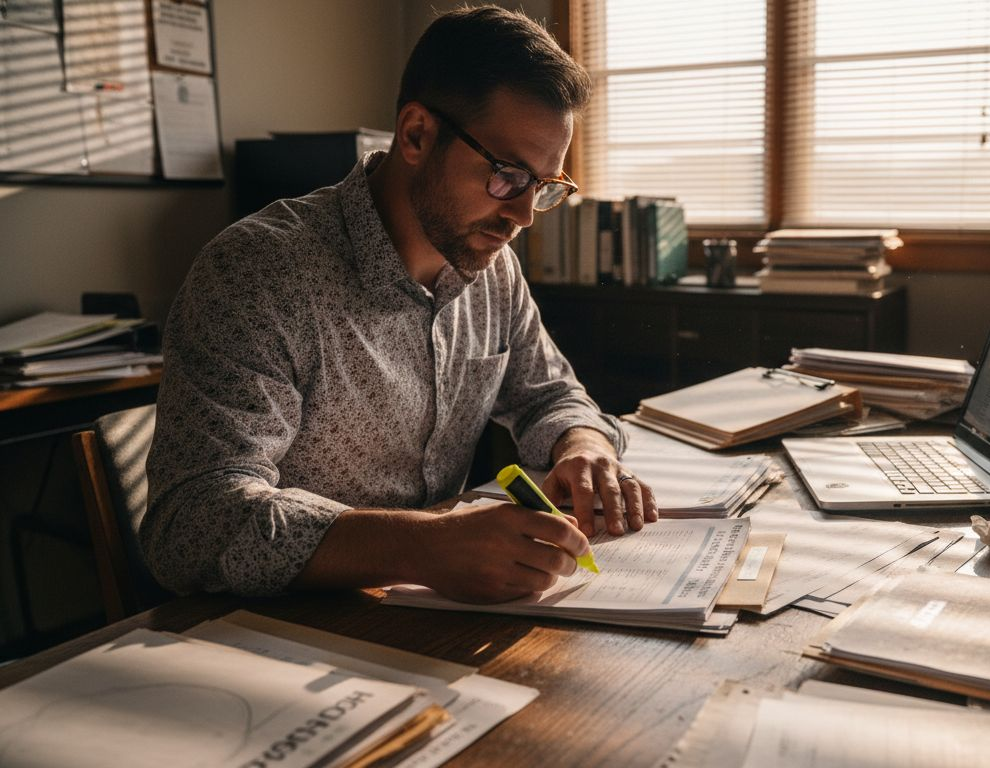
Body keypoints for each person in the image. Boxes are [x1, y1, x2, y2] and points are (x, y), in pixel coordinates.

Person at [143, 5, 657, 604]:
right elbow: (191, 525)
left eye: (543, 188)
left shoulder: (491, 266)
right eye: (509, 175)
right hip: (275, 635)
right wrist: (422, 546)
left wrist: (585, 446)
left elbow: (549, 393)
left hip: (429, 615)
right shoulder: (260, 273)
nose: (522, 217)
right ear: (416, 134)